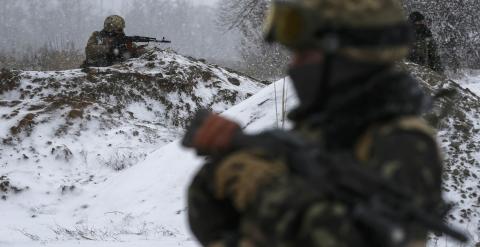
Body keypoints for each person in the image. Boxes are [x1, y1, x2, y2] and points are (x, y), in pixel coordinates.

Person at [186, 0, 446, 246]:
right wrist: (222, 167)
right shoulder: (321, 128)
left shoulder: (403, 143)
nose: (294, 64)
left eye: (307, 53)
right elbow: (215, 221)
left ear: (349, 56)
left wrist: (261, 187)